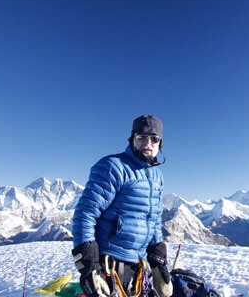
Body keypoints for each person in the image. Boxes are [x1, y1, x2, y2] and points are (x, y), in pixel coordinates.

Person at [72, 115, 173, 297]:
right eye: (141, 137)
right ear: (132, 139)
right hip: (110, 263)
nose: (147, 143)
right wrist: (88, 264)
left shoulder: (157, 176)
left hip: (137, 264)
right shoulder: (113, 167)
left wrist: (158, 258)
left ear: (160, 144)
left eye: (154, 138)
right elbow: (85, 213)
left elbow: (154, 219)